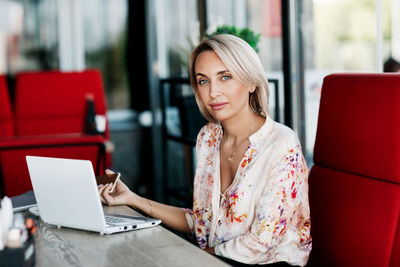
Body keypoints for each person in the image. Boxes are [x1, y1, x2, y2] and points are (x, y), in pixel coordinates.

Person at [98, 34, 312, 266]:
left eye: (225, 77)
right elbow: (201, 223)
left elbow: (260, 243)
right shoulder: (208, 138)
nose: (212, 92)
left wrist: (187, 258)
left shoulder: (281, 145)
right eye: (203, 81)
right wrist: (133, 199)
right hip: (213, 258)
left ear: (252, 82)